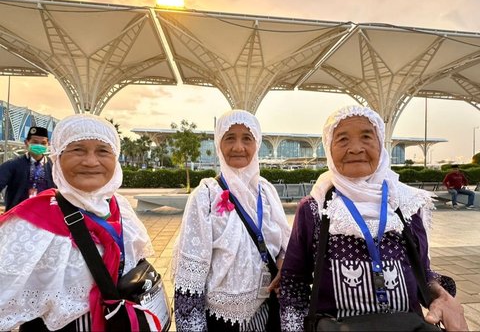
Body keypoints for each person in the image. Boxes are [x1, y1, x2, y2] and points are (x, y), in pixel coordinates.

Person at [280, 105, 468, 331]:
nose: (356, 149)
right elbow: (293, 283)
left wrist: (441, 295)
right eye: (342, 139)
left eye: (367, 137)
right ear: (329, 148)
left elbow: (421, 272)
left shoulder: (405, 205)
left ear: (381, 144)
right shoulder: (315, 208)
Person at [0, 114, 154, 331]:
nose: (91, 161)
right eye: (77, 150)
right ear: (58, 156)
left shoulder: (120, 208)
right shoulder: (28, 224)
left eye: (103, 150)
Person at [172, 109, 291, 331]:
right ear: (219, 144)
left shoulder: (266, 191)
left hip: (267, 313)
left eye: (247, 138)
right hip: (221, 319)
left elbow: (284, 243)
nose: (239, 147)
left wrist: (284, 260)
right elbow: (190, 276)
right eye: (230, 138)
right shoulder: (206, 195)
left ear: (257, 144)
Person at [0, 126, 55, 211]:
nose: (39, 145)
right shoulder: (13, 165)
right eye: (35, 142)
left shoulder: (54, 167)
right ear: (26, 142)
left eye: (43, 143)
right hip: (18, 216)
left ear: (48, 144)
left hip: (45, 217)